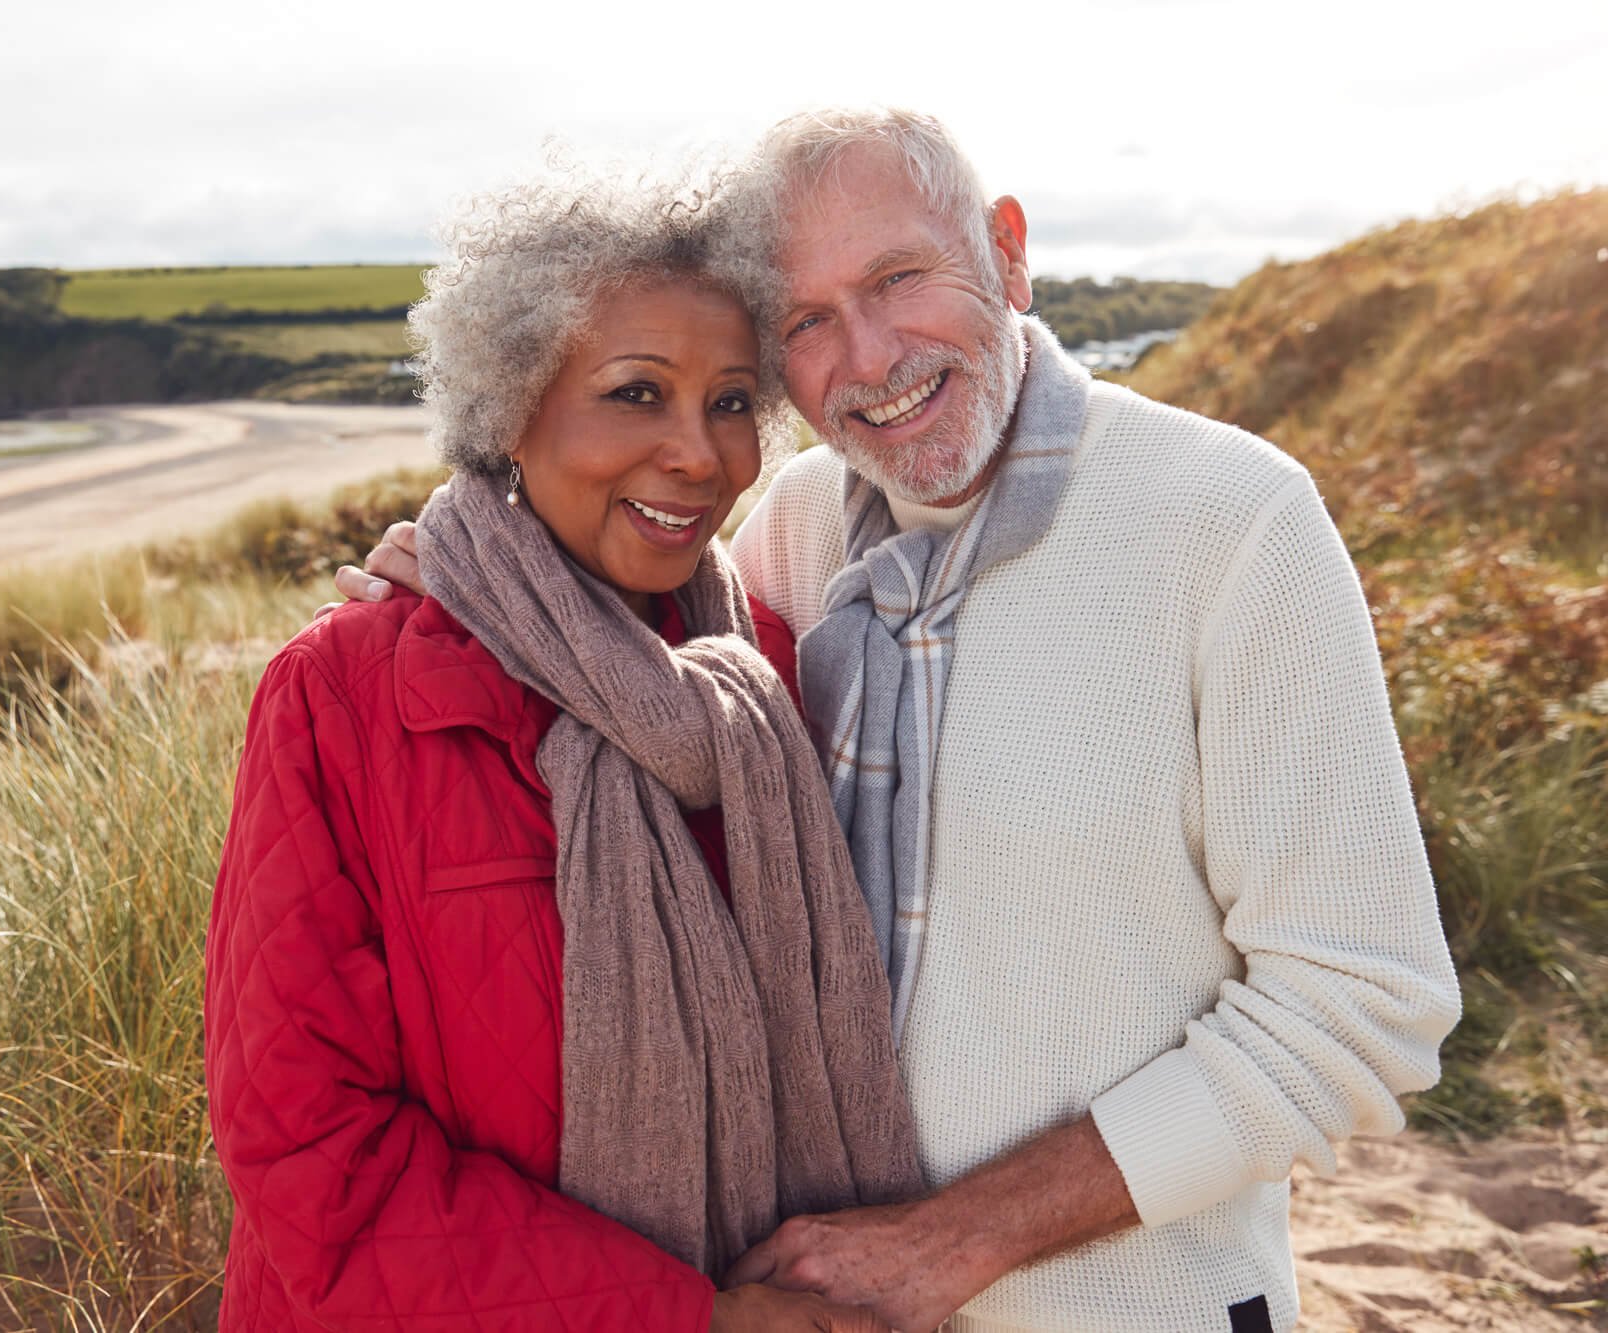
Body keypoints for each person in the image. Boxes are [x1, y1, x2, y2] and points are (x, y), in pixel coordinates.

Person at [338, 109, 1461, 1332]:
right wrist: (474, 574)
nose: (867, 358)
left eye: (898, 278)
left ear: (1006, 253)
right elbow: (623, 663)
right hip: (824, 1304)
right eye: (805, 322)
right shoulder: (794, 526)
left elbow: (1359, 1004)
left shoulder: (1230, 521)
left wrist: (950, 1242)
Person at [204, 171, 925, 1332]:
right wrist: (690, 1319)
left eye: (732, 400)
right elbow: (305, 1147)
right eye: (635, 393)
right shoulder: (345, 695)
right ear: (509, 407)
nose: (696, 454)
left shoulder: (771, 683)